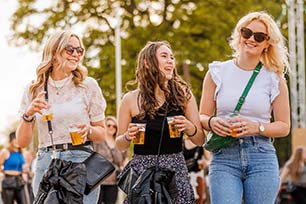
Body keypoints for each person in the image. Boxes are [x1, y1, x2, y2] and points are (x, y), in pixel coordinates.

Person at [199, 11, 290, 204]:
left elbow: (284, 126)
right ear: (239, 34)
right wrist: (212, 121)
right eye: (246, 32)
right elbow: (201, 116)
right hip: (224, 156)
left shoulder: (275, 78)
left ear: (268, 43)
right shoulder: (217, 72)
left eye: (259, 36)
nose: (251, 39)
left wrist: (257, 127)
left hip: (261, 156)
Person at [16, 30, 107, 204]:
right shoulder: (34, 89)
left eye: (79, 50)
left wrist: (88, 131)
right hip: (47, 160)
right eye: (70, 49)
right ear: (54, 52)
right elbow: (21, 142)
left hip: (81, 161)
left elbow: (101, 133)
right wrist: (28, 114)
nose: (76, 55)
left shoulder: (88, 85)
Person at [115, 41, 204, 203]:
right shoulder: (130, 99)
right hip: (143, 171)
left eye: (172, 57)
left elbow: (200, 139)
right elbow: (120, 145)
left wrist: (189, 127)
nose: (171, 61)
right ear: (147, 63)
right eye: (164, 56)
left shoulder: (183, 95)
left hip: (175, 169)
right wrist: (128, 136)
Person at [93, 116, 128, 204]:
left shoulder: (120, 143)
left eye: (114, 126)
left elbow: (124, 160)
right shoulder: (98, 141)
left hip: (114, 181)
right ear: (105, 126)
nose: (111, 128)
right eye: (108, 125)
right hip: (98, 181)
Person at [0, 131, 29, 204]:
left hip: (19, 181)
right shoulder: (5, 152)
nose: (17, 141)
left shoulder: (21, 153)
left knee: (23, 202)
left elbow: (23, 167)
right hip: (8, 181)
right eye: (15, 139)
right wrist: (5, 171)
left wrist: (25, 170)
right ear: (11, 140)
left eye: (18, 139)